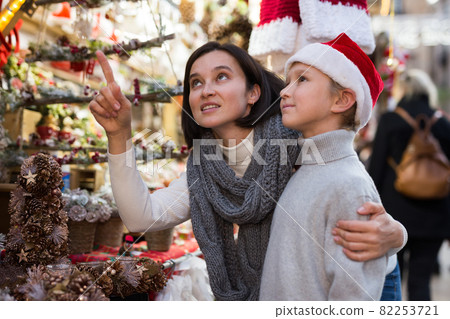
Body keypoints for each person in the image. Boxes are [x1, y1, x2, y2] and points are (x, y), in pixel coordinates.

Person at [89, 42, 406, 301]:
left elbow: (348, 191)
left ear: (253, 93)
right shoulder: (206, 168)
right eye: (196, 82)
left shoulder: (298, 135)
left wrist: (395, 235)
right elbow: (141, 217)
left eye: (222, 76)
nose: (206, 90)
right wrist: (119, 136)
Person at [259, 33, 395, 300]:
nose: (285, 91)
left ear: (342, 100)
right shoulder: (305, 169)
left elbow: (354, 300)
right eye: (288, 82)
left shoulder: (349, 185)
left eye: (302, 79)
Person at [368, 69, 450, 300]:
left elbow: (376, 170)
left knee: (393, 276)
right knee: (420, 281)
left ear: (402, 90)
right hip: (436, 213)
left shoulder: (390, 120)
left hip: (395, 212)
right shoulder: (443, 122)